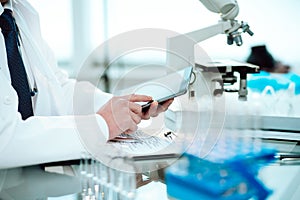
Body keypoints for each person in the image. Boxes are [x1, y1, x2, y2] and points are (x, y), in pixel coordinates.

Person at [0, 0, 173, 168]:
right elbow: (5, 139)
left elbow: (57, 88)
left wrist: (123, 107)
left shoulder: (17, 12)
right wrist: (101, 124)